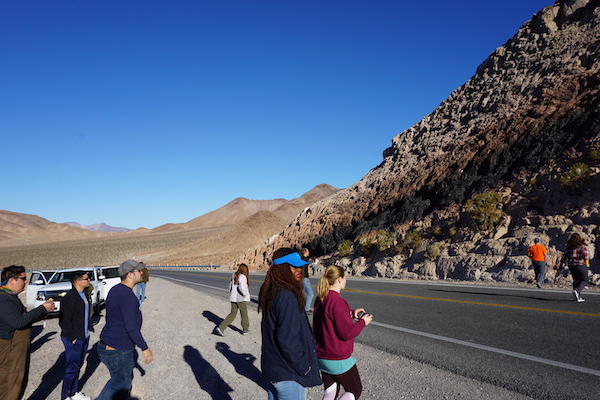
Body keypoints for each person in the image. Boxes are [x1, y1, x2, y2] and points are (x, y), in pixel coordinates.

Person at [258, 248, 322, 400]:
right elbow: (288, 340)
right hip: (289, 374)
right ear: (283, 269)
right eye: (294, 266)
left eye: (300, 266)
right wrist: (304, 368)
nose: (299, 270)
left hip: (273, 369)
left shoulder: (271, 291)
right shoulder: (287, 297)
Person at [312, 265, 372, 400]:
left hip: (321, 355)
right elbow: (346, 333)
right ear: (339, 279)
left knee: (330, 390)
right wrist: (362, 322)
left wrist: (351, 313)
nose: (345, 281)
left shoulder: (321, 297)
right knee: (355, 390)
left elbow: (329, 318)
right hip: (337, 357)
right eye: (345, 278)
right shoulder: (338, 301)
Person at [96, 259, 153, 400]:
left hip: (108, 344)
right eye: (138, 271)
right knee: (121, 385)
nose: (141, 273)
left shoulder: (116, 290)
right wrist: (145, 348)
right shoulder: (127, 295)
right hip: (118, 348)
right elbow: (131, 327)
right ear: (130, 274)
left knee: (117, 381)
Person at [0, 265, 54, 400]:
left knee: (17, 383)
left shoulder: (10, 297)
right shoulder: (4, 299)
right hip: (11, 350)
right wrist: (41, 308)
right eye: (23, 279)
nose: (26, 282)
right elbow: (17, 322)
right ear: (12, 280)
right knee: (11, 385)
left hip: (16, 349)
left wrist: (40, 315)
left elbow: (18, 320)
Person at [59, 271, 93, 400]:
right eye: (86, 278)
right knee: (72, 367)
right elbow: (64, 320)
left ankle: (74, 392)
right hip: (74, 337)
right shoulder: (69, 298)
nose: (89, 280)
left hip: (84, 335)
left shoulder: (83, 294)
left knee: (78, 364)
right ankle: (65, 396)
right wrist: (72, 337)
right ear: (78, 281)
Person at [215, 263, 251, 336]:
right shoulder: (243, 277)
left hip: (233, 298)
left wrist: (233, 293)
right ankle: (245, 329)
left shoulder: (234, 275)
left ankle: (221, 327)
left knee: (232, 314)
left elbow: (230, 286)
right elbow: (241, 288)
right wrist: (245, 295)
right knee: (244, 313)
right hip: (241, 298)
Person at [562, 233, 590, 303]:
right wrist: (587, 264)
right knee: (585, 280)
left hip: (571, 266)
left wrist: (561, 264)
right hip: (580, 265)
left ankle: (577, 296)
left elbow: (564, 256)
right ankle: (577, 290)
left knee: (576, 280)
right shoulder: (582, 246)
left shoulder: (569, 247)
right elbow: (585, 256)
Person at [300, 248, 314, 313]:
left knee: (301, 293)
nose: (308, 252)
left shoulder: (300, 259)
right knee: (310, 294)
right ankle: (307, 308)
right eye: (307, 251)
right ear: (305, 252)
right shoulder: (305, 259)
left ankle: (302, 306)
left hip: (301, 278)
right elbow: (309, 261)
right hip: (305, 278)